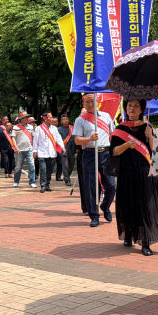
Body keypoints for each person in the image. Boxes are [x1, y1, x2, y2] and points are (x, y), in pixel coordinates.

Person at [111, 99, 158, 255]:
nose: (132, 108)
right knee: (127, 204)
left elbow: (156, 151)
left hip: (144, 172)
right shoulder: (120, 129)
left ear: (142, 110)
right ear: (126, 109)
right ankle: (128, 235)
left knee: (144, 205)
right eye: (129, 106)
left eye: (136, 106)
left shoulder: (148, 128)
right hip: (126, 172)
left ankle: (145, 242)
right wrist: (126, 145)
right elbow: (113, 151)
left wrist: (150, 137)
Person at [73, 94, 116, 227]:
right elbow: (77, 140)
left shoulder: (106, 116)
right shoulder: (80, 120)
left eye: (92, 101)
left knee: (111, 185)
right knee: (91, 186)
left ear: (97, 101)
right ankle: (94, 215)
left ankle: (105, 206)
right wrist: (89, 139)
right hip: (89, 154)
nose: (90, 104)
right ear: (84, 104)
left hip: (105, 154)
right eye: (87, 102)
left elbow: (112, 135)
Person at [33, 112, 65, 193]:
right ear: (45, 119)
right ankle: (43, 185)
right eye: (50, 118)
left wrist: (62, 147)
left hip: (52, 153)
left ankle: (47, 184)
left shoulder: (54, 128)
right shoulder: (39, 128)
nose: (52, 119)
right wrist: (34, 151)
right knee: (43, 170)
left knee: (50, 170)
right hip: (42, 153)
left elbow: (58, 138)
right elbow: (35, 141)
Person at [11, 111, 37, 188]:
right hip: (19, 150)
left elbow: (33, 138)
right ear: (21, 119)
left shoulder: (31, 127)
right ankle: (16, 181)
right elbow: (13, 138)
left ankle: (32, 181)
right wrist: (16, 148)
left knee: (32, 165)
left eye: (27, 118)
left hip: (29, 149)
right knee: (18, 167)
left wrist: (34, 148)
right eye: (24, 118)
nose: (26, 119)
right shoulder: (16, 127)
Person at [57, 114, 75, 187]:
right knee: (65, 165)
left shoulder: (72, 128)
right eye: (63, 119)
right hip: (63, 149)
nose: (65, 121)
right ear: (61, 121)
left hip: (71, 149)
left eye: (66, 119)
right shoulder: (58, 129)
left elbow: (74, 138)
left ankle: (67, 176)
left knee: (71, 165)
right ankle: (67, 180)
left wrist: (76, 148)